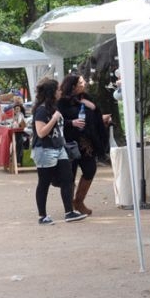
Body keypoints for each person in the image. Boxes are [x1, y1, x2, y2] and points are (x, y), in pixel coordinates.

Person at [30, 78, 87, 224]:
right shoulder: (42, 110)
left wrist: (68, 122)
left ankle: (69, 212)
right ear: (51, 92)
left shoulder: (54, 108)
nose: (60, 91)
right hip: (44, 149)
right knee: (44, 182)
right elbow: (41, 132)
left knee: (68, 179)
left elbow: (59, 126)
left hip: (59, 147)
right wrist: (54, 119)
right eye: (57, 90)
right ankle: (42, 216)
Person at [58, 74, 109, 216]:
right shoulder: (62, 101)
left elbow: (93, 116)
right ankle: (69, 208)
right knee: (70, 175)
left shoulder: (86, 98)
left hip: (86, 143)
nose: (84, 83)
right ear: (73, 86)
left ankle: (79, 201)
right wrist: (72, 121)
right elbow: (59, 119)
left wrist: (94, 108)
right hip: (69, 143)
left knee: (90, 169)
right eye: (81, 82)